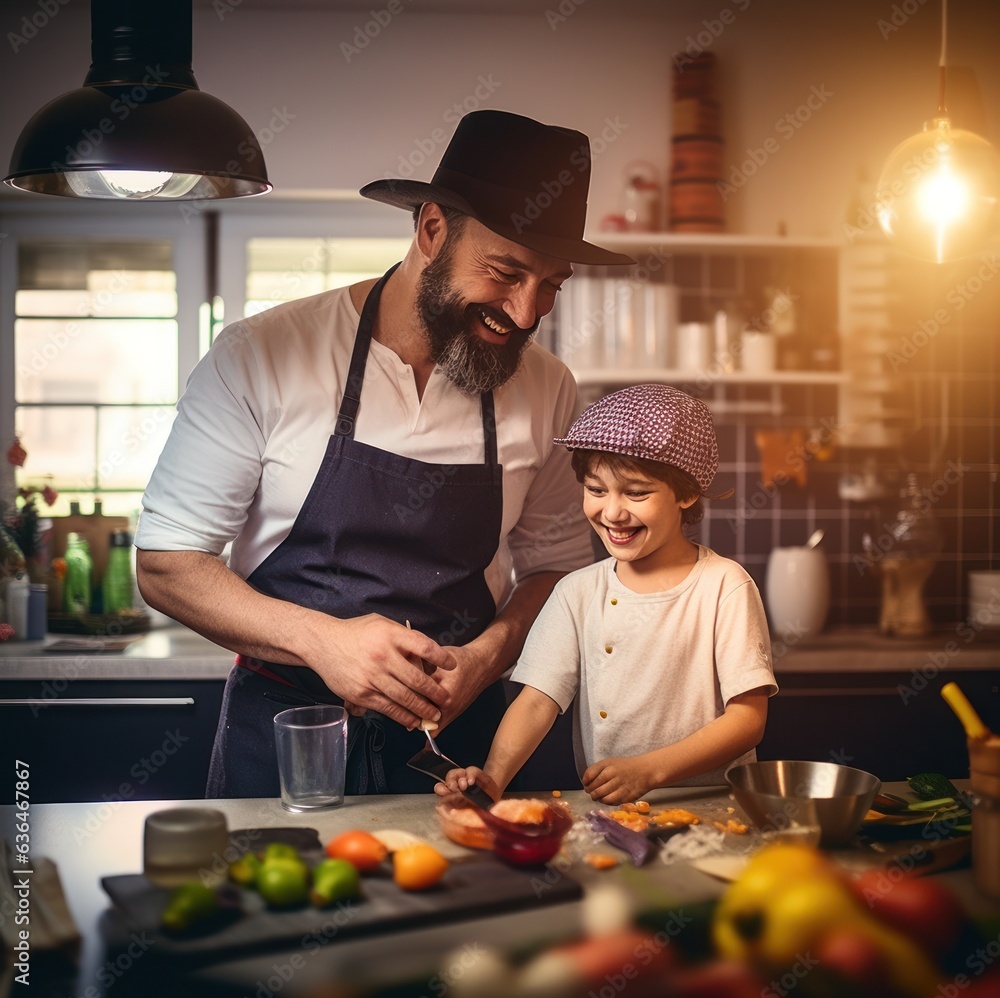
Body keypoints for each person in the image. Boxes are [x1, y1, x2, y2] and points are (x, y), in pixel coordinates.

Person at [134, 109, 636, 797]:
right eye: (505, 273)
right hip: (284, 739)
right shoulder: (263, 356)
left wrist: (488, 657)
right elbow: (167, 565)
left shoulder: (547, 387)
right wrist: (323, 642)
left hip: (459, 752)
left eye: (551, 284)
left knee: (465, 904)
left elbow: (556, 569)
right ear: (432, 230)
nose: (526, 314)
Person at [435, 384, 778, 805]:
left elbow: (747, 720)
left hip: (717, 808)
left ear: (687, 492)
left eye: (636, 493)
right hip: (614, 813)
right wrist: (493, 777)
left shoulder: (724, 585)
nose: (612, 512)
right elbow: (537, 700)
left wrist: (649, 770)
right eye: (596, 490)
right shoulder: (576, 592)